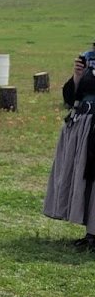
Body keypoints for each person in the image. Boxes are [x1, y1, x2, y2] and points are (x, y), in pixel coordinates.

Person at [44, 45, 95, 248]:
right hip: (84, 125)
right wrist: (77, 76)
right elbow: (72, 97)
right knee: (87, 179)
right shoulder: (89, 58)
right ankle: (91, 233)